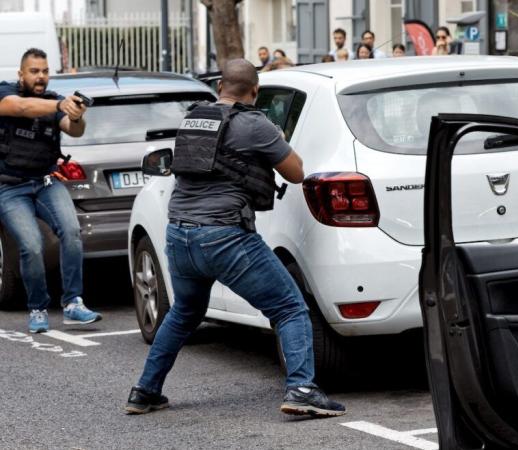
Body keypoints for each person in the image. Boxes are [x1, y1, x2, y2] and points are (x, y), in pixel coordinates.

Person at [125, 59, 346, 418]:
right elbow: (295, 172)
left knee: (184, 311)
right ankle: (303, 389)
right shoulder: (255, 124)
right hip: (224, 236)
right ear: (254, 92)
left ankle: (145, 391)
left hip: (180, 234)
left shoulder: (195, 117)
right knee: (289, 307)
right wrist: (280, 141)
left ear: (220, 88)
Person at [0, 48, 101, 333]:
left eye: (45, 71)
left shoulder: (55, 101)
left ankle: (72, 304)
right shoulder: (5, 93)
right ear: (21, 74)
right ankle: (38, 308)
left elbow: (73, 129)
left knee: (71, 231)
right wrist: (60, 106)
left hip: (45, 182)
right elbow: (21, 108)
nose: (41, 76)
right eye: (34, 71)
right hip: (9, 187)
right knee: (31, 245)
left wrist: (77, 114)